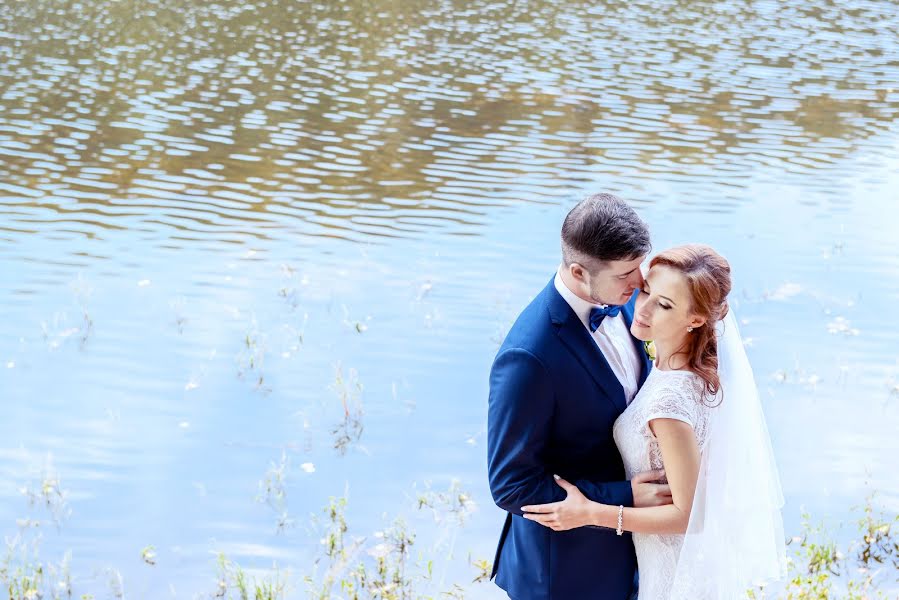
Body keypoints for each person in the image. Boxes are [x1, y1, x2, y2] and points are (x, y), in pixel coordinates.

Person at [522, 244, 787, 599]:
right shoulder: (678, 369)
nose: (642, 309)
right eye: (646, 290)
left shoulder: (668, 403)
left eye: (664, 305)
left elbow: (687, 515)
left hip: (672, 574)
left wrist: (590, 512)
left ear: (695, 320)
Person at [487, 193, 675, 600]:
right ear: (578, 270)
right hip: (565, 571)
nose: (640, 281)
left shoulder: (624, 303)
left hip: (634, 551)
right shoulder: (529, 356)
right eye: (626, 272)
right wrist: (625, 498)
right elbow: (511, 485)